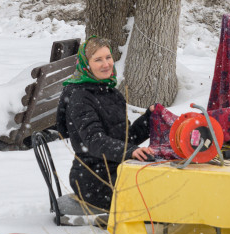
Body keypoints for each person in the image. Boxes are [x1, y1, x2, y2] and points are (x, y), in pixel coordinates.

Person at [55, 36, 155, 211]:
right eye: (98, 60)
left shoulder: (111, 92)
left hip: (117, 169)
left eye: (108, 57)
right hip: (94, 179)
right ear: (86, 65)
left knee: (164, 180)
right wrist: (130, 151)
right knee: (156, 194)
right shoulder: (79, 97)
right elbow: (94, 141)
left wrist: (150, 118)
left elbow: (125, 137)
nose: (106, 64)